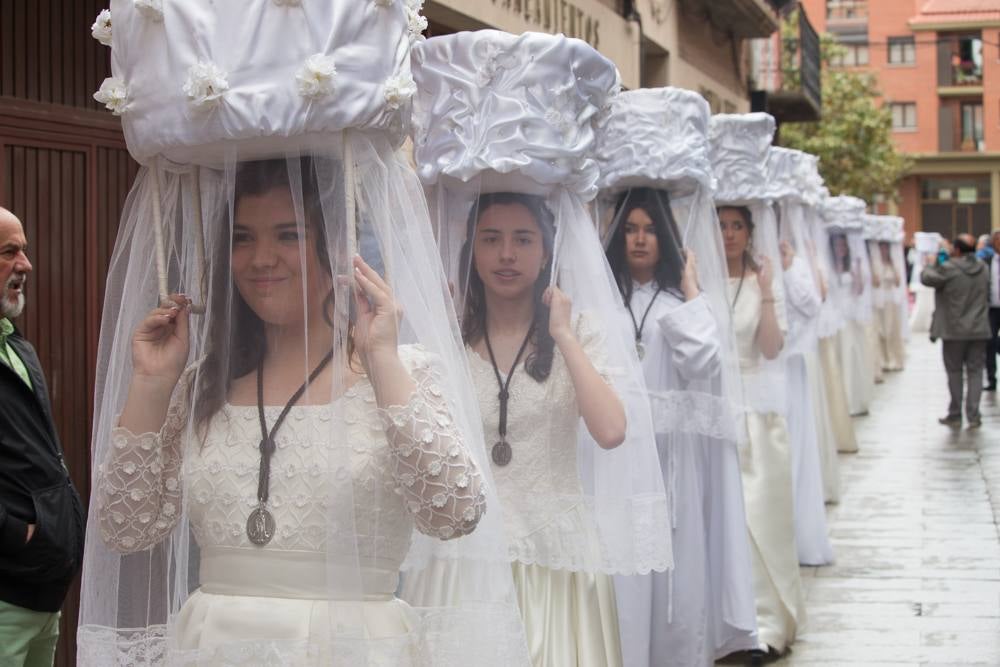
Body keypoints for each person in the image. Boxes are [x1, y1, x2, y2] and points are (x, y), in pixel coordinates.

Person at [78, 4, 530, 664]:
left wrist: (379, 358)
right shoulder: (203, 376)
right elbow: (127, 525)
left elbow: (456, 511)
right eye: (243, 239)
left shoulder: (398, 369)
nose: (263, 260)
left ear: (337, 246)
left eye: (289, 235)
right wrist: (151, 384)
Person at [409, 30, 672, 667]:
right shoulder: (448, 333)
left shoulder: (575, 332)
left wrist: (563, 339)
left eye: (523, 240)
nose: (506, 255)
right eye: (492, 238)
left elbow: (612, 431)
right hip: (462, 556)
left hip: (557, 557)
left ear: (548, 249)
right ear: (470, 248)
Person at [597, 88, 758, 667]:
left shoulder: (677, 301)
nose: (639, 238)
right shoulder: (606, 299)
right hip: (616, 459)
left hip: (672, 466)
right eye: (631, 228)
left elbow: (704, 365)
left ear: (666, 236)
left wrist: (691, 291)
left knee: (674, 578)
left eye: (650, 229)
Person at [0, 207, 85, 667]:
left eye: (25, 251)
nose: (25, 265)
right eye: (10, 252)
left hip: (43, 592)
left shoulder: (16, 345)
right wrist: (17, 534)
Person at [921, 233, 991, 429]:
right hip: (978, 329)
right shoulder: (983, 268)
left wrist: (932, 262)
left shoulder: (949, 269)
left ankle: (955, 413)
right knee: (976, 372)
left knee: (954, 372)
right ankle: (973, 414)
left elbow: (926, 278)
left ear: (957, 250)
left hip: (953, 331)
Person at [984, 230, 1000, 391]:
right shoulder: (986, 262)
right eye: (997, 241)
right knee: (990, 343)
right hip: (992, 309)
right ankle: (991, 378)